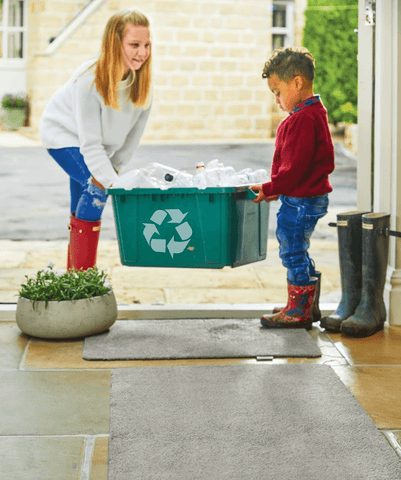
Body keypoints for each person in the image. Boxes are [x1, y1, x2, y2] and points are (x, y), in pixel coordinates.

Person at [40, 9, 152, 271]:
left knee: (84, 200)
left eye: (147, 45)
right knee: (96, 191)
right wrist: (113, 185)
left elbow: (131, 142)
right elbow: (89, 144)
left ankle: (73, 275)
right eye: (134, 45)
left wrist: (114, 171)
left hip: (99, 146)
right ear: (115, 44)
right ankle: (82, 275)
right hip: (64, 135)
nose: (142, 52)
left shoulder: (144, 83)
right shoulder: (89, 80)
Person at [251, 47, 335, 329]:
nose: (276, 100)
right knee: (299, 250)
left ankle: (298, 310)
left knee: (292, 251)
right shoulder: (312, 114)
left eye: (277, 91)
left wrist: (269, 187)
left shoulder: (303, 120)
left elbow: (295, 170)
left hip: (301, 201)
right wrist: (275, 189)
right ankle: (304, 304)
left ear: (297, 82)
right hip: (305, 197)